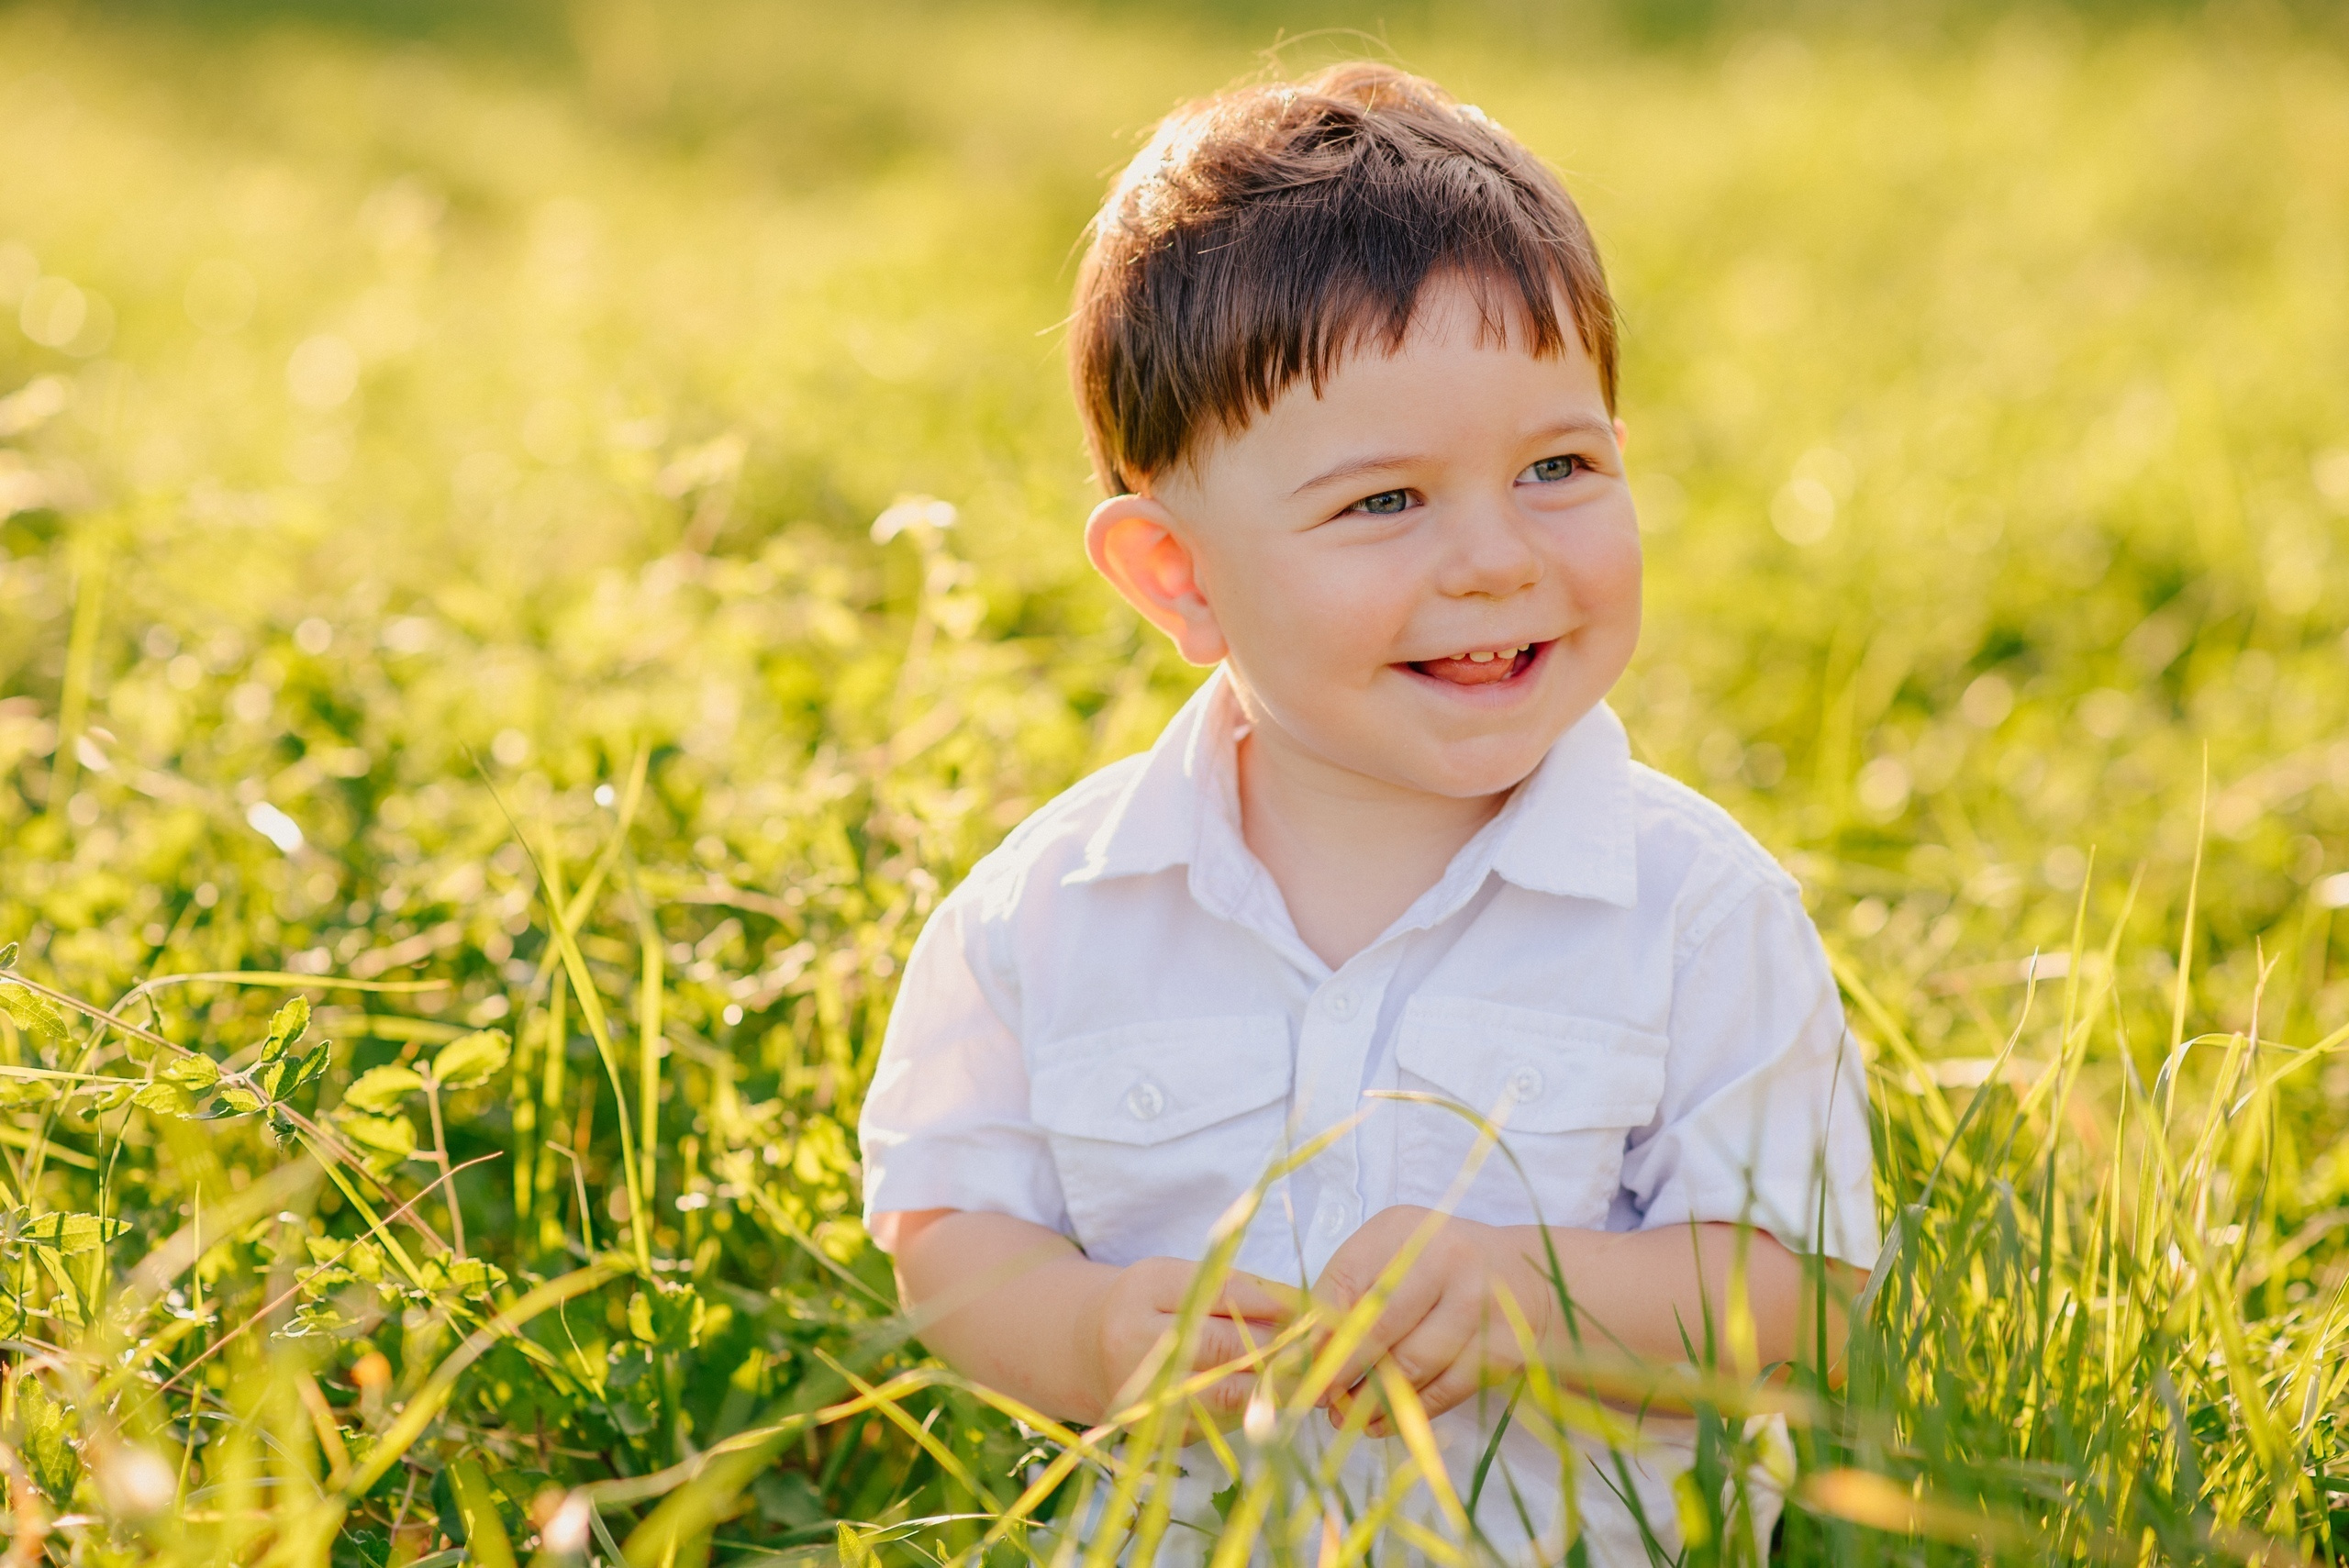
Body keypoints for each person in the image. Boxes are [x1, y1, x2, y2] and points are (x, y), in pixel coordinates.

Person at [857, 61, 1877, 1563]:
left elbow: (1807, 1292)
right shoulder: (1050, 915)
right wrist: (1085, 1329)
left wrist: (1540, 1296)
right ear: (1178, 576)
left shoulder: (1696, 910)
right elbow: (947, 1228)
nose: (1493, 558)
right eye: (1385, 502)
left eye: (1558, 466)